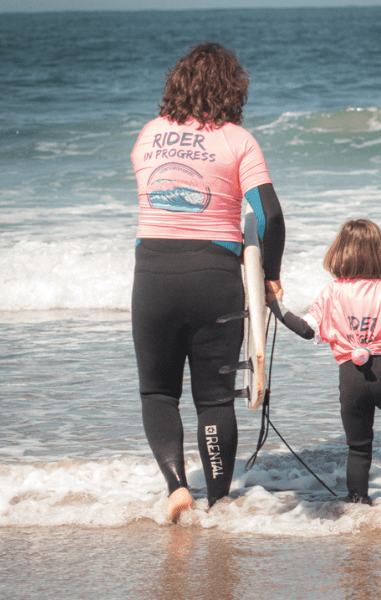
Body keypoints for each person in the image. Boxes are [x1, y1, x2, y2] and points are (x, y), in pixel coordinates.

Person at [130, 42, 285, 521]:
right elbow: (269, 215)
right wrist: (272, 274)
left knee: (158, 393)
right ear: (232, 89)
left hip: (153, 275)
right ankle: (219, 502)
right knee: (215, 399)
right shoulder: (238, 140)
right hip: (215, 277)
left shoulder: (148, 134)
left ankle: (177, 486)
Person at [266, 219, 381, 505]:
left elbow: (305, 329)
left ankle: (357, 502)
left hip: (350, 379)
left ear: (339, 252)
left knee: (358, 448)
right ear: (379, 254)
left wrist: (275, 305)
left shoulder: (332, 292)